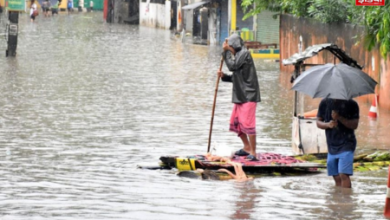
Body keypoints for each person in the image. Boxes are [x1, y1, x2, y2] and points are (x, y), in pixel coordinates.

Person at [217, 33, 261, 161]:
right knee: (236, 123)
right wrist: (224, 77)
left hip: (248, 95)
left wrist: (224, 53)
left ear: (234, 46)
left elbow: (232, 66)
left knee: (248, 124)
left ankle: (253, 152)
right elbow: (236, 76)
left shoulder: (244, 53)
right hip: (240, 96)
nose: (229, 50)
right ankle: (246, 147)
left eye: (230, 47)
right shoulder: (238, 56)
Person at [316, 98, 359, 188]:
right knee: (336, 176)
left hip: (347, 143)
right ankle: (339, 198)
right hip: (331, 145)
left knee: (343, 174)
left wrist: (339, 117)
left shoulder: (351, 104)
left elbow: (354, 125)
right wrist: (327, 124)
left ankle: (346, 200)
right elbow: (318, 122)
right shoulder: (324, 103)